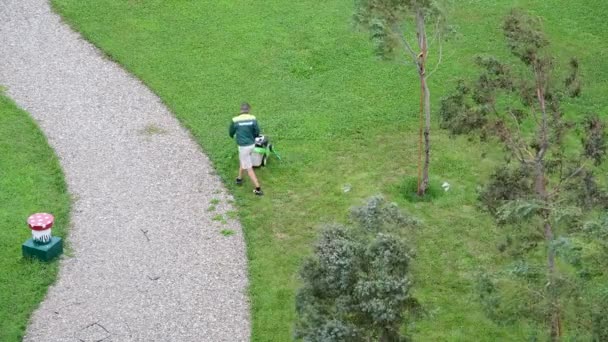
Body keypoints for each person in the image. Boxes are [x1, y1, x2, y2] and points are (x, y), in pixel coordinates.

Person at [229, 102, 263, 196]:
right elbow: (257, 131)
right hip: (251, 144)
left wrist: (233, 135)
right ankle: (239, 178)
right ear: (249, 110)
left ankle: (258, 188)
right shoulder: (253, 118)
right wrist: (254, 136)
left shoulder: (235, 120)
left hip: (243, 146)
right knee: (243, 160)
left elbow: (231, 132)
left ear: (241, 110)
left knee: (249, 168)